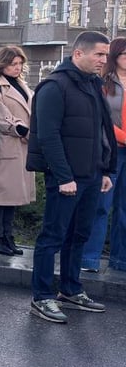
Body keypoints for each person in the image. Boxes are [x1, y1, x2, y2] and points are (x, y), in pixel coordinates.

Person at [27, 31, 115, 323]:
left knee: (79, 236)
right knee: (52, 237)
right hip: (65, 179)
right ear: (78, 54)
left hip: (91, 176)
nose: (104, 60)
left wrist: (105, 170)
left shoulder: (92, 84)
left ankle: (70, 290)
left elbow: (102, 132)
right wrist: (64, 177)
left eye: (106, 54)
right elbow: (48, 136)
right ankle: (42, 297)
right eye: (99, 54)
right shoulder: (55, 86)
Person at [0, 45, 35, 256]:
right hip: (4, 145)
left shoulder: (22, 84)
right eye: (13, 64)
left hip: (21, 146)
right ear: (2, 64)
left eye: (20, 64)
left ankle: (8, 236)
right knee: (0, 195)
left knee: (13, 196)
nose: (17, 68)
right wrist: (20, 128)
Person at [81, 37, 126, 272]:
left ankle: (121, 260)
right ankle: (89, 259)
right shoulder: (104, 84)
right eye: (124, 54)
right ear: (114, 57)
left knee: (124, 208)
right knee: (101, 205)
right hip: (112, 150)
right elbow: (103, 118)